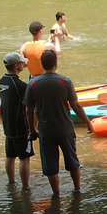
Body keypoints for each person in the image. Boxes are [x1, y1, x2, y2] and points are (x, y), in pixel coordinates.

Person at [24, 50, 94, 196]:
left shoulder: (33, 84)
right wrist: (88, 122)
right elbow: (76, 106)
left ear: (42, 64)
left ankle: (56, 194)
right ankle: (77, 189)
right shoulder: (65, 81)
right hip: (65, 128)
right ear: (56, 63)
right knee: (72, 160)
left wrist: (32, 129)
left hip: (46, 130)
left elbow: (29, 111)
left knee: (51, 165)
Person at [0, 52, 34, 191]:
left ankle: (11, 183)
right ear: (16, 65)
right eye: (21, 62)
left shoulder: (2, 81)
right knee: (24, 158)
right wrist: (33, 128)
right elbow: (30, 106)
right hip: (20, 126)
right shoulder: (20, 85)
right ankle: (26, 187)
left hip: (7, 124)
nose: (23, 64)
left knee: (10, 155)